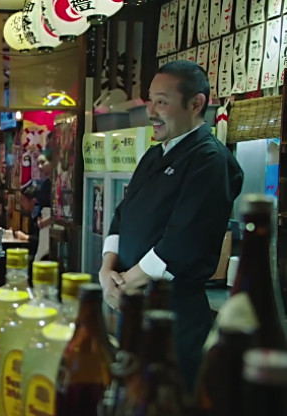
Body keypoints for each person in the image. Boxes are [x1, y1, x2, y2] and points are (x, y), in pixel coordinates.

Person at [98, 61, 243, 391]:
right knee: (128, 398)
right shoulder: (154, 155)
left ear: (195, 104)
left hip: (173, 316)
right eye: (150, 100)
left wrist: (124, 284)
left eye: (161, 102)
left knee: (166, 401)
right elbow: (121, 216)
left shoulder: (210, 160)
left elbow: (182, 244)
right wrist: (107, 271)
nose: (151, 111)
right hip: (132, 309)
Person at [15, 155, 54, 260]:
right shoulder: (46, 183)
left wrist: (46, 221)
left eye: (43, 162)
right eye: (38, 164)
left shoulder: (48, 184)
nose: (40, 167)